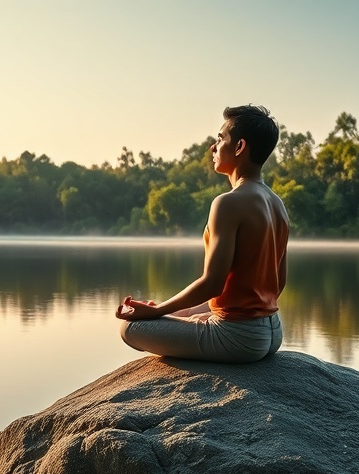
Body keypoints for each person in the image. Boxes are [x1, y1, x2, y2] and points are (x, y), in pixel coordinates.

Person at [115, 105, 289, 363]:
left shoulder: (228, 203)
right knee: (177, 314)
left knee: (130, 329)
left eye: (220, 139)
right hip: (272, 330)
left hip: (238, 338)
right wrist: (174, 312)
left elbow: (212, 283)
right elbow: (278, 283)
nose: (213, 147)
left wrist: (160, 311)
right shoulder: (277, 203)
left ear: (240, 147)